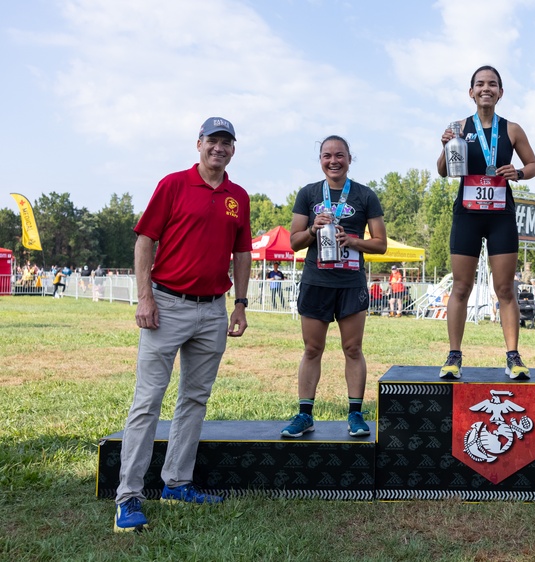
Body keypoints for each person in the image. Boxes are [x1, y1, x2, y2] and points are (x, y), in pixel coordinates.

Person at [114, 117, 251, 533]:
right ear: (198, 144)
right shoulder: (173, 184)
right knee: (147, 401)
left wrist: (240, 304)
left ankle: (177, 482)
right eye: (213, 140)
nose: (219, 148)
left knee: (194, 399)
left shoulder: (238, 197)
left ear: (233, 149)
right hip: (167, 305)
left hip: (213, 310)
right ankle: (128, 497)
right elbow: (145, 240)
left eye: (226, 142)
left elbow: (242, 253)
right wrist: (144, 297)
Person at [436, 65, 535, 380]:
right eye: (480, 84)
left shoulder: (512, 130)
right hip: (467, 213)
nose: (486, 88)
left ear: (500, 92)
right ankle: (454, 356)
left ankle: (513, 357)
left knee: (505, 287)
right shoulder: (457, 127)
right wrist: (444, 146)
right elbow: (443, 171)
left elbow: (534, 165)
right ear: (471, 92)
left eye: (492, 84)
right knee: (461, 286)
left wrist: (518, 173)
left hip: (500, 216)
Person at [281, 135, 387, 440]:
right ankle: (305, 415)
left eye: (339, 155)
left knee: (352, 348)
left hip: (350, 282)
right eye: (327, 155)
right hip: (317, 281)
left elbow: (380, 244)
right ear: (320, 160)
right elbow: (293, 242)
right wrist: (313, 229)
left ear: (349, 159)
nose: (333, 161)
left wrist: (352, 240)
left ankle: (355, 414)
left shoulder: (365, 196)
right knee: (312, 348)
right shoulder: (308, 194)